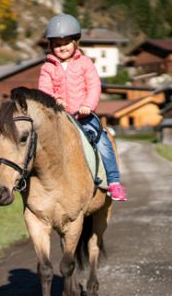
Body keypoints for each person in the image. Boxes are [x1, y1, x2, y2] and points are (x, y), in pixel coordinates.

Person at [38, 13, 128, 201]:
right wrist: (54, 99)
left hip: (83, 116)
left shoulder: (85, 63)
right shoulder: (47, 68)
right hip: (59, 117)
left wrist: (88, 105)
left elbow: (94, 86)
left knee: (103, 141)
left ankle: (113, 182)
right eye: (57, 44)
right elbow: (44, 89)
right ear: (51, 46)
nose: (62, 47)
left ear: (75, 43)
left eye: (66, 43)